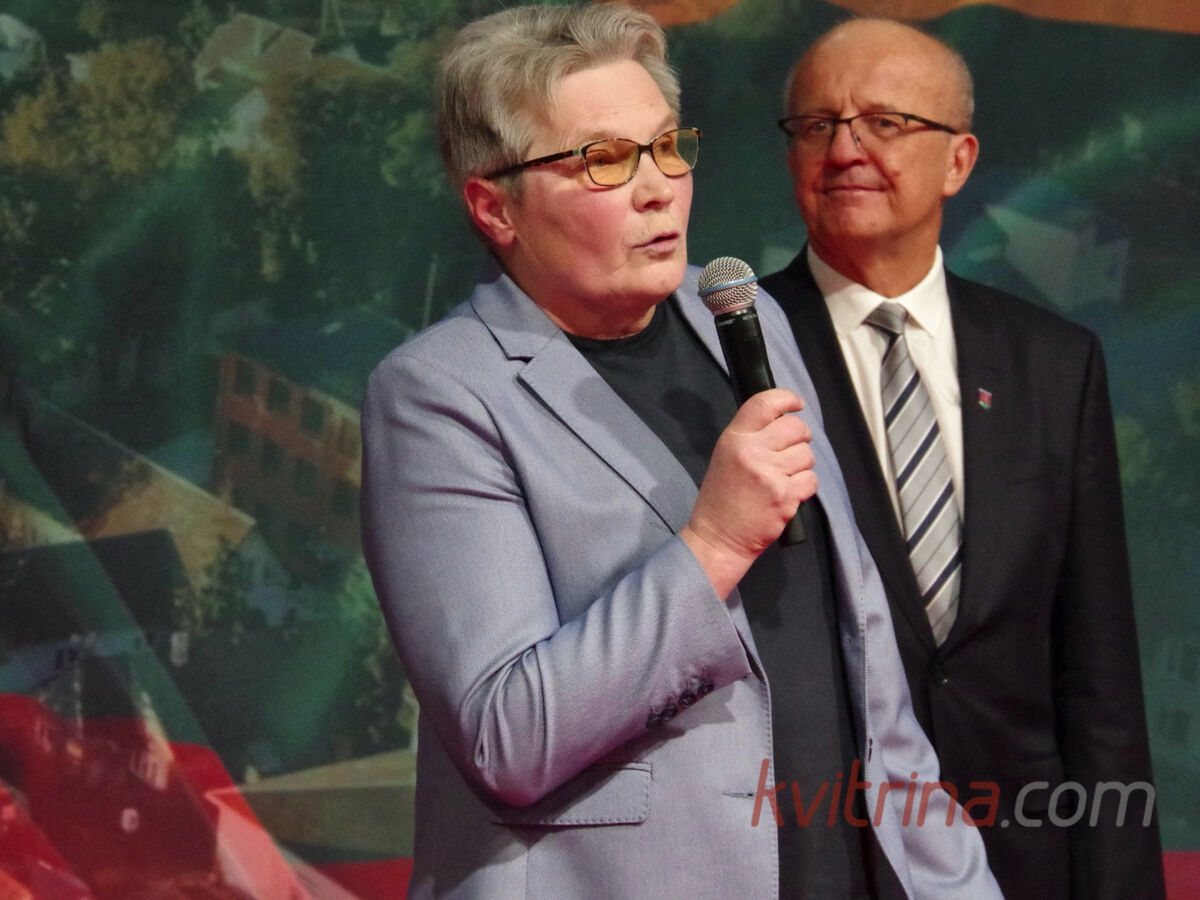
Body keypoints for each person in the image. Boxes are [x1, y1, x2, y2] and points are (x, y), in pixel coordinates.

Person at [361, 5, 1001, 898]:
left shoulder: (742, 315)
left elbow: (869, 671)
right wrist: (715, 545)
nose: (658, 187)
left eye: (667, 147)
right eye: (604, 160)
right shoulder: (441, 394)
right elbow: (508, 736)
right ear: (494, 207)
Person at [760, 17, 1164, 899]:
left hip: (1027, 855)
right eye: (818, 125)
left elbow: (1097, 675)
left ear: (959, 160)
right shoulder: (734, 351)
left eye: (885, 123)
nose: (846, 149)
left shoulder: (1053, 362)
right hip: (815, 851)